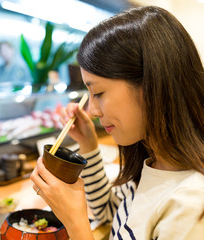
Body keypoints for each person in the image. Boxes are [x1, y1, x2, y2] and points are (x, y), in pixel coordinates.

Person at [31, 6, 204, 240]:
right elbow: (108, 211)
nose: (91, 110)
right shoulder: (154, 162)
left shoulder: (191, 203)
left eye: (99, 93)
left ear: (152, 84)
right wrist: (89, 144)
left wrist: (76, 223)